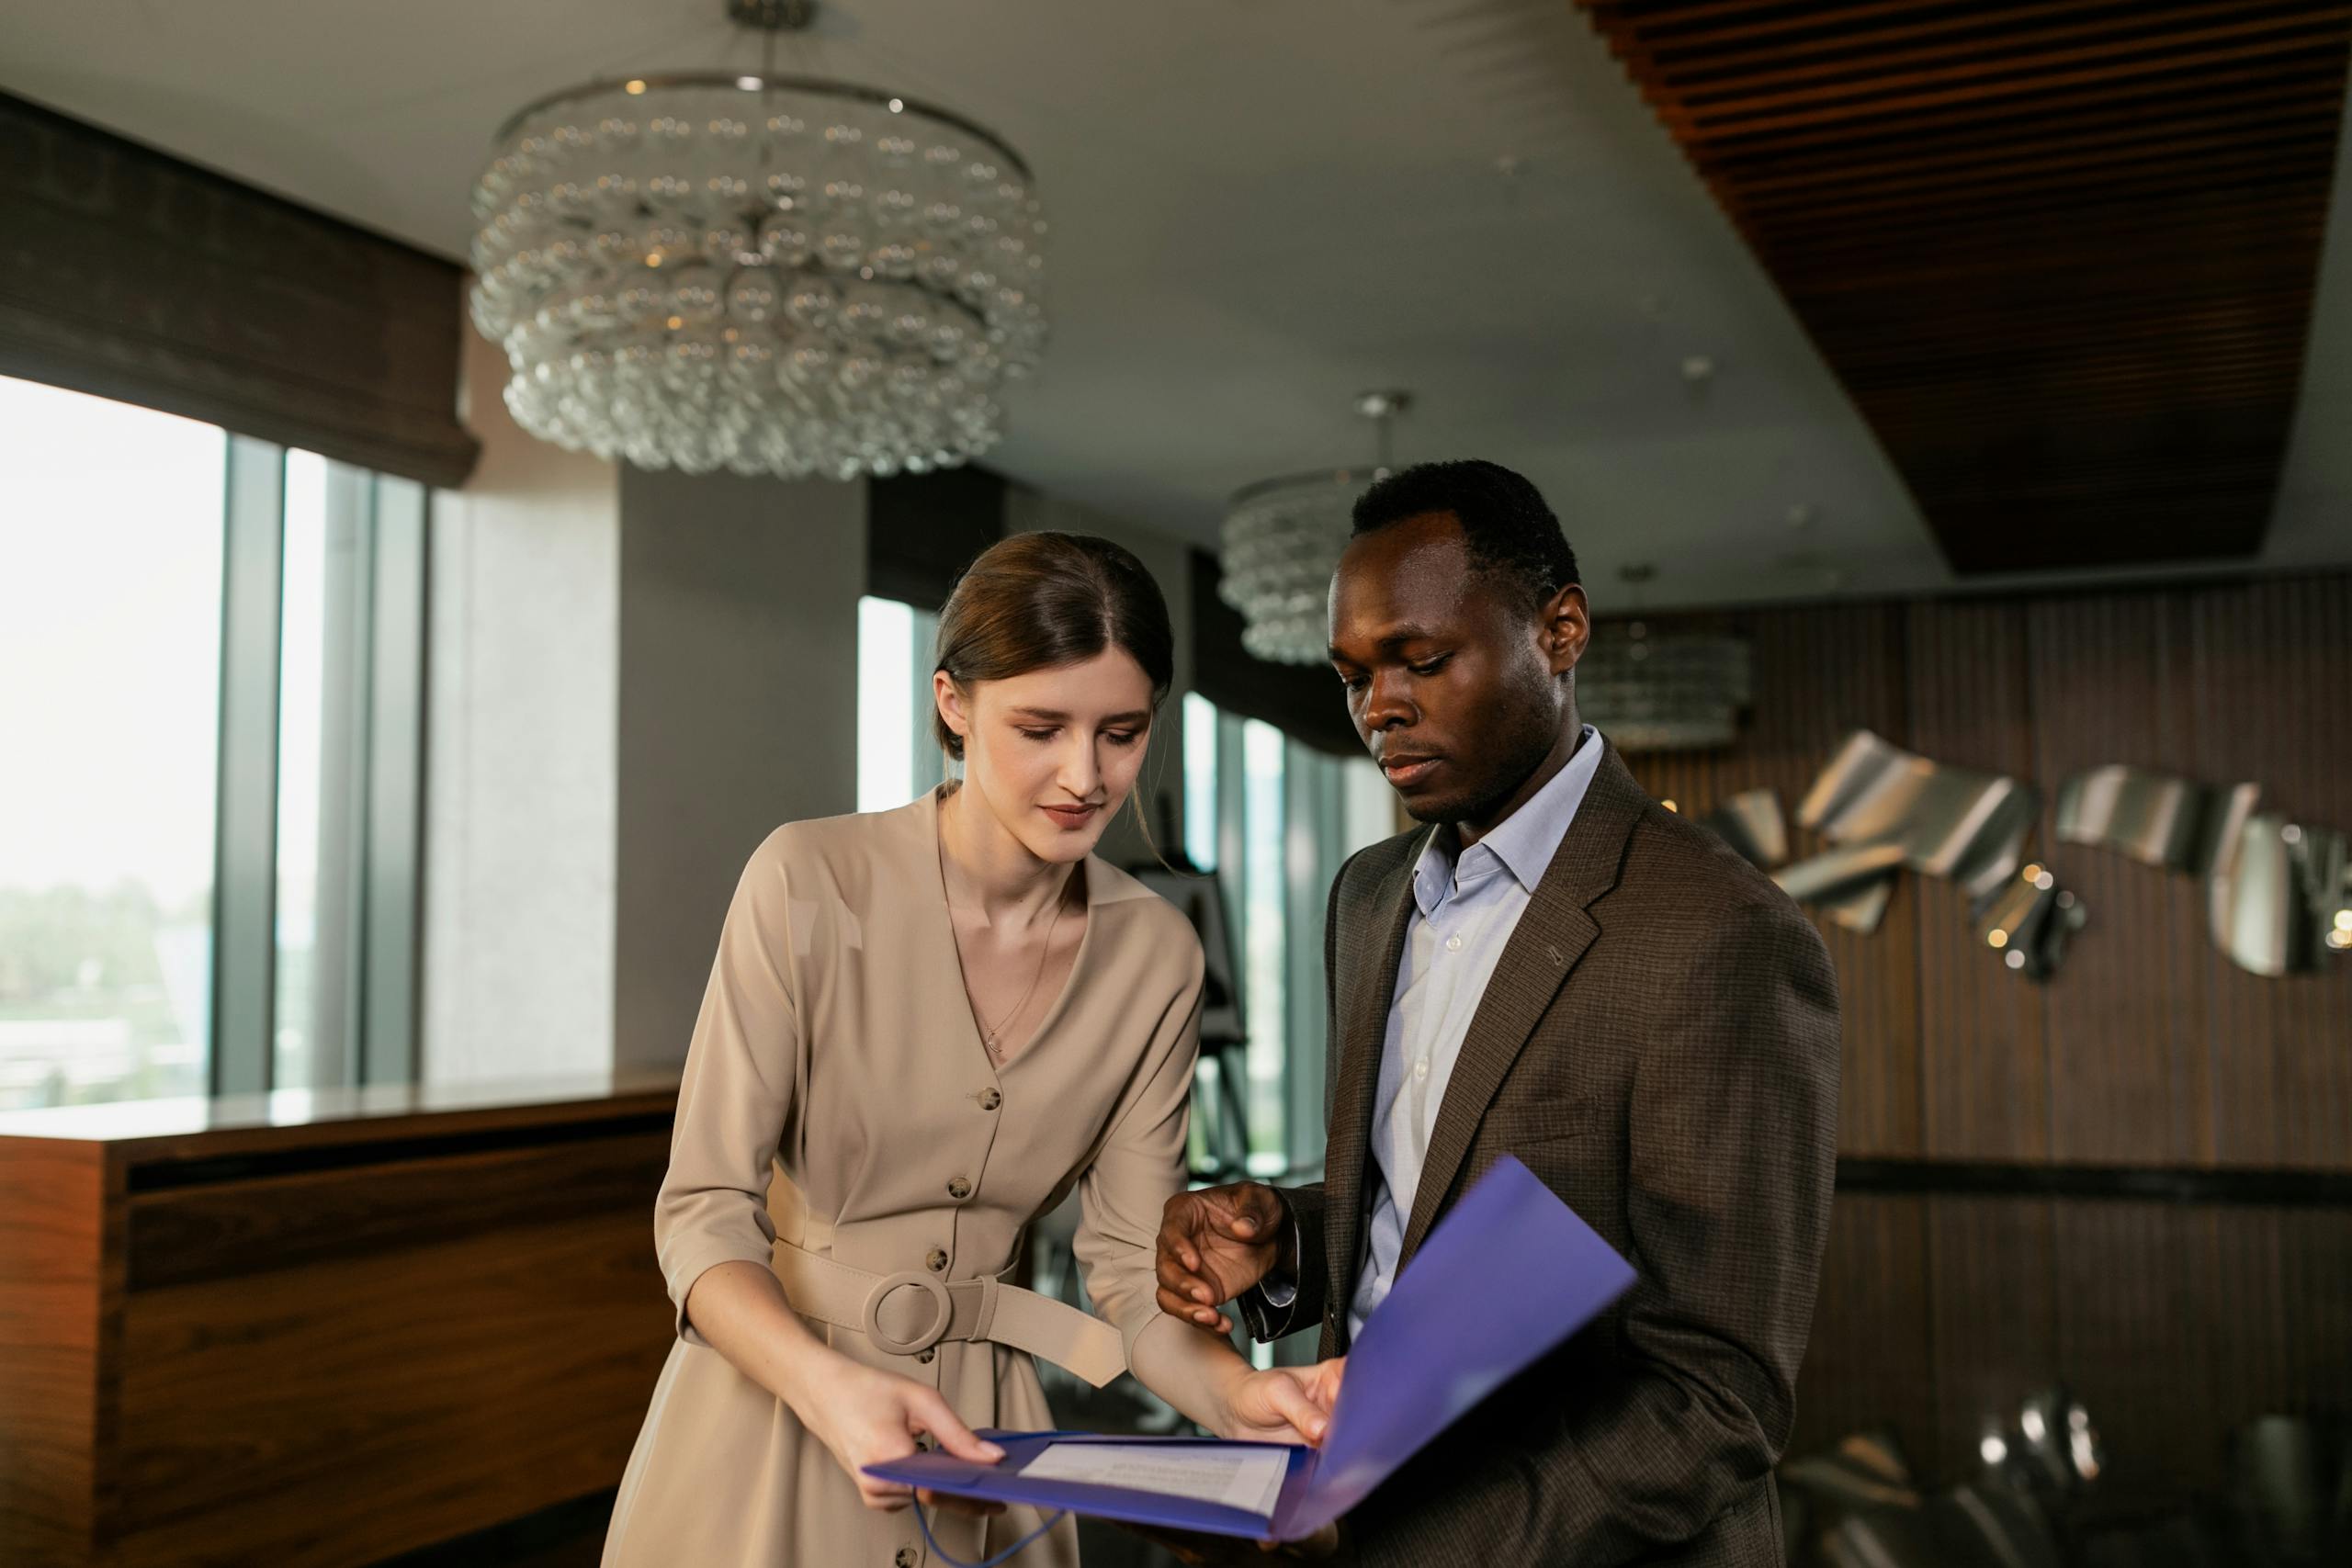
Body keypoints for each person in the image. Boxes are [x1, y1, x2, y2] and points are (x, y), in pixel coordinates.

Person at [604, 532, 1340, 1568]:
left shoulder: (1158, 956)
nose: (1084, 776)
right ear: (953, 701)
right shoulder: (807, 881)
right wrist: (829, 1390)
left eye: (1121, 734)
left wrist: (1237, 1394)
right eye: (1040, 728)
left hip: (994, 1444)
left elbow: (1128, 1274)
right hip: (772, 1410)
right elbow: (699, 1216)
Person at [1155, 461, 1842, 1566]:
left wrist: (1394, 1543)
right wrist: (1287, 1241)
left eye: (1421, 660)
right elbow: (1428, 1215)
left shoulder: (1721, 932)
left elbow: (1717, 1395)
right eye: (1351, 676)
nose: (1379, 705)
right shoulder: (1368, 896)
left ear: (1559, 630)